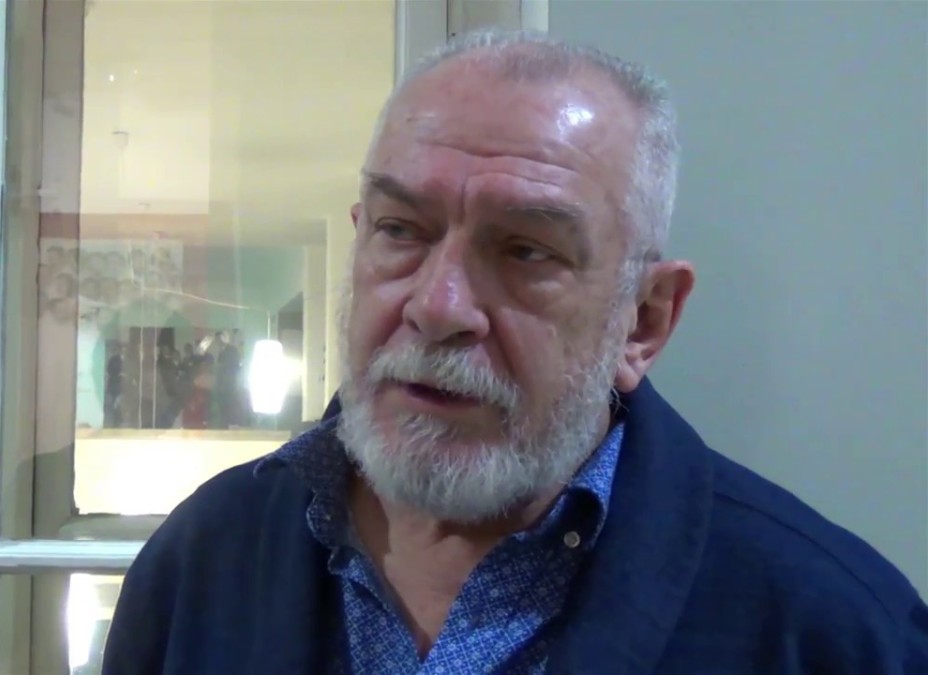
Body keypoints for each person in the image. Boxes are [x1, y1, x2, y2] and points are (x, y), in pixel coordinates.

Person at [102, 29, 927, 674]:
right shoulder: (203, 559)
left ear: (643, 320)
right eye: (401, 230)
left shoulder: (834, 630)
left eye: (526, 250)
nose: (437, 306)